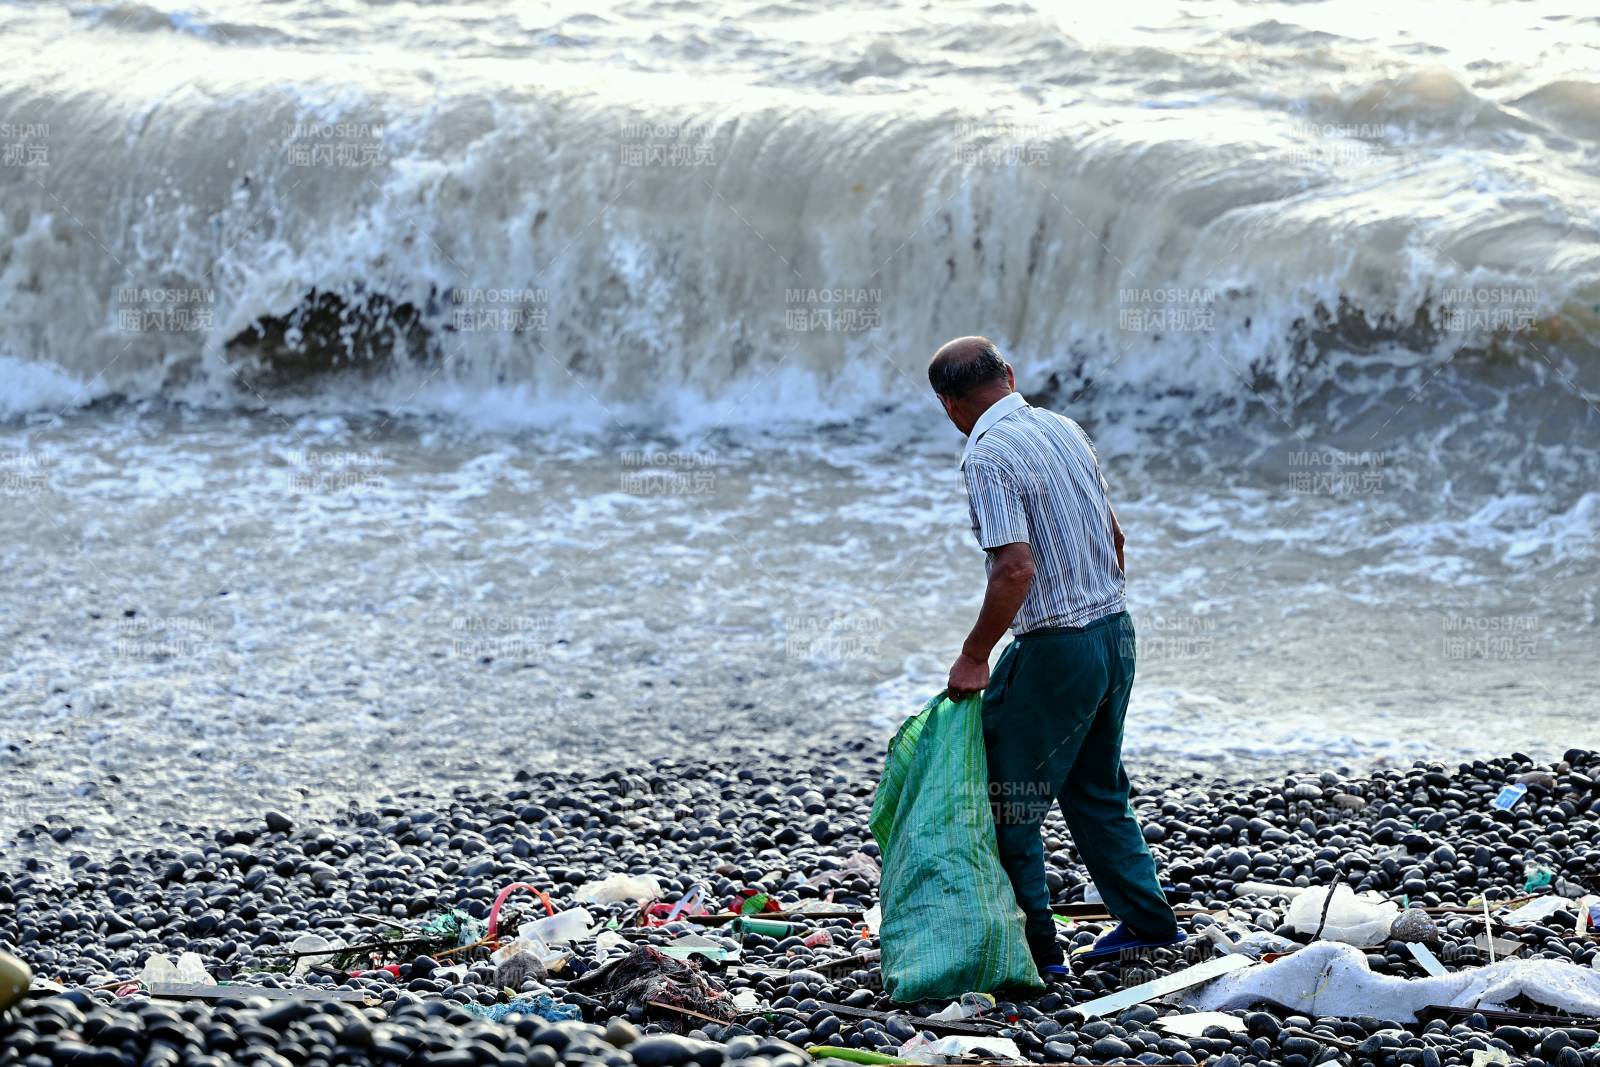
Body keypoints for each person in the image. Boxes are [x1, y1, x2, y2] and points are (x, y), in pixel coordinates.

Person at [928, 335, 1183, 978]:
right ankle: (1148, 925)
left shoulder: (986, 455)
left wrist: (974, 656)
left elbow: (1014, 568)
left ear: (949, 404)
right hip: (1114, 633)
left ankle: (1039, 953)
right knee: (1098, 787)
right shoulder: (1064, 428)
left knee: (1009, 803)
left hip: (1056, 648)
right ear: (1008, 376)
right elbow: (1115, 535)